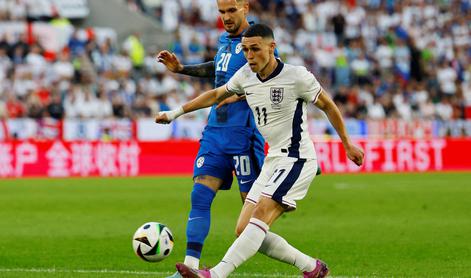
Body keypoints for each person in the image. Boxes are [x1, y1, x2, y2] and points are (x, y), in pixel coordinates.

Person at [155, 24, 364, 278]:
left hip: (297, 158)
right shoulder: (245, 75)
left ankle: (215, 274)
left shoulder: (297, 76)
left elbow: (328, 105)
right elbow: (215, 94)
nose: (249, 55)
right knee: (244, 229)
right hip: (273, 159)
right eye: (245, 50)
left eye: (255, 49)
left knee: (263, 213)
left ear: (271, 47)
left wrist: (347, 143)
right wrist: (174, 113)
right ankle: (312, 267)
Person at [156, 1, 265, 276]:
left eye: (231, 11)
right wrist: (182, 69)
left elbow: (274, 79)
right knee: (200, 196)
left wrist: (241, 95)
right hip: (215, 133)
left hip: (244, 134)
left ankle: (305, 263)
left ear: (245, 8)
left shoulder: (258, 40)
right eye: (221, 12)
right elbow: (217, 68)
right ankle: (190, 267)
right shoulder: (224, 40)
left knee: (253, 217)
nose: (226, 17)